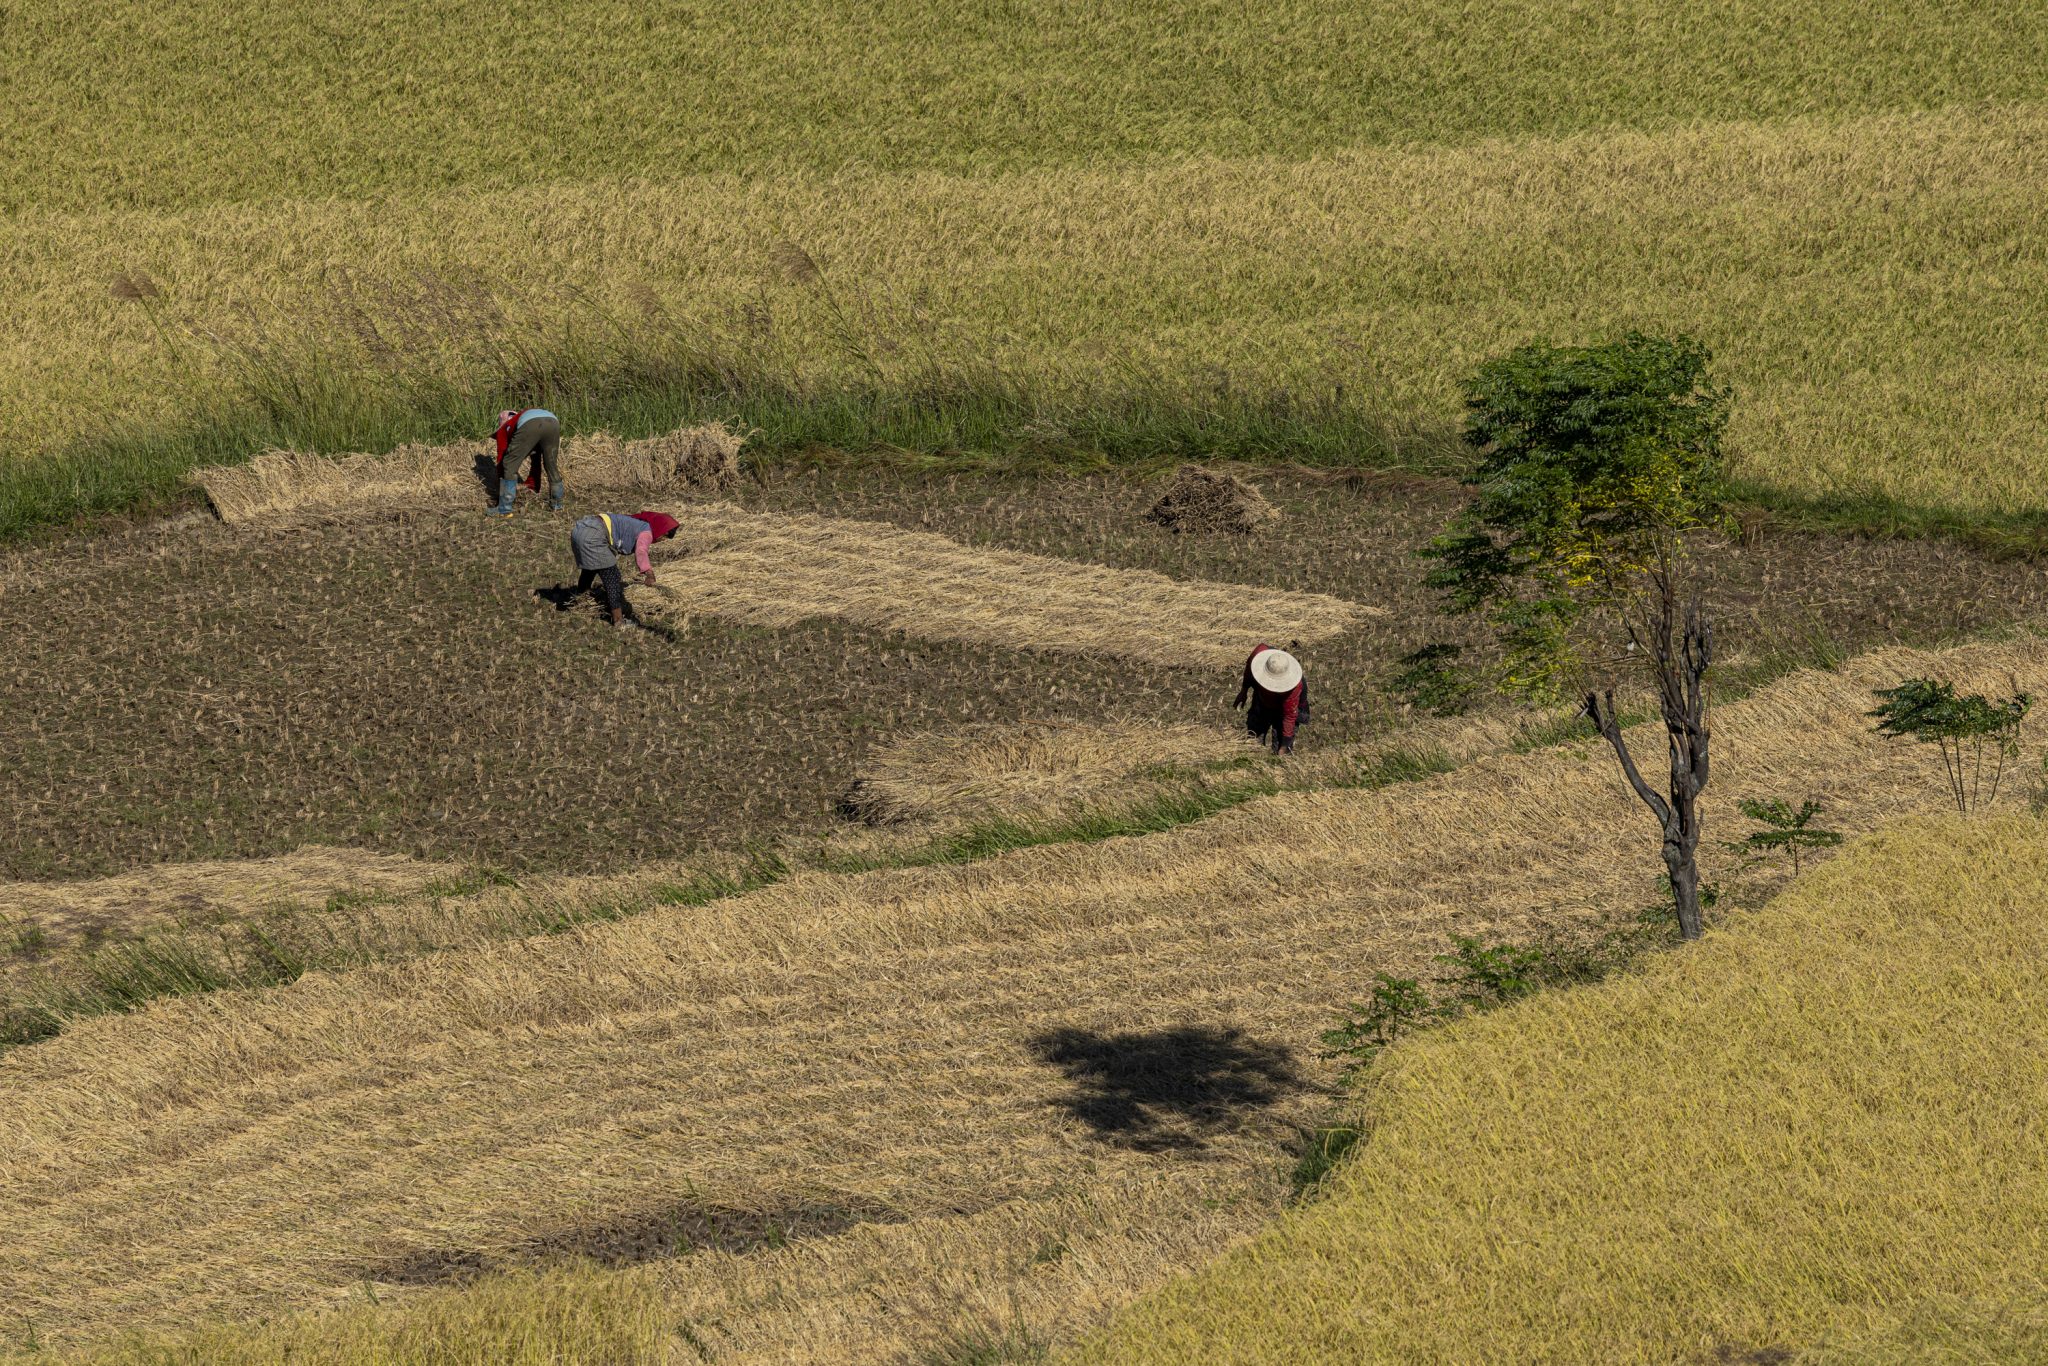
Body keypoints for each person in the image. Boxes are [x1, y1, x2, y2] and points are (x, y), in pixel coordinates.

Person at [561, 510, 680, 626]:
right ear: (661, 529)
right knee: (613, 577)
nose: (660, 540)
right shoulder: (646, 532)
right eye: (663, 537)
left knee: (591, 568)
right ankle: (618, 621)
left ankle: (581, 598)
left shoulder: (637, 523)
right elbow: (641, 551)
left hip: (580, 530)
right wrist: (649, 573)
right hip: (594, 535)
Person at [489, 407, 563, 516]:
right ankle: (557, 505)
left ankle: (504, 508)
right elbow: (536, 460)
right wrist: (533, 486)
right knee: (551, 465)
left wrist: (501, 486)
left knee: (508, 463)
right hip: (552, 421)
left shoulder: (504, 428)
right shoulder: (521, 416)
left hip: (531, 424)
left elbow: (502, 461)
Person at [1234, 643, 1308, 753]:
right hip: (1262, 698)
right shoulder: (1259, 653)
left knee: (1282, 744)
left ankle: (1281, 753)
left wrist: (1284, 746)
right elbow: (1249, 670)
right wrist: (1243, 691)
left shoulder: (1294, 687)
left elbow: (1289, 716)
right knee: (1254, 736)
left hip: (1289, 707)